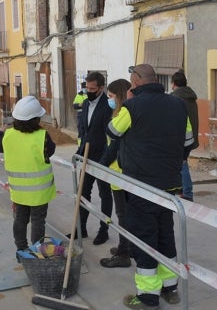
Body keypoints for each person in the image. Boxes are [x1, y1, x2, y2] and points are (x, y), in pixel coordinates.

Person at [107, 64, 188, 309]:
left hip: (141, 186)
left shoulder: (132, 107)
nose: (130, 85)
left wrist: (127, 105)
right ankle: (170, 287)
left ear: (138, 81)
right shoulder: (178, 105)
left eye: (132, 81)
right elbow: (189, 141)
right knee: (165, 234)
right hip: (170, 185)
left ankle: (147, 297)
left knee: (144, 238)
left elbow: (112, 131)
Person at [0, 96, 56, 257]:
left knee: (20, 220)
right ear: (36, 119)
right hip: (40, 193)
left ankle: (21, 250)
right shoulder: (43, 136)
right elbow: (51, 151)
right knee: (38, 222)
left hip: (19, 192)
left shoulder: (7, 136)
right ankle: (36, 252)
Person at [71, 71, 113, 245]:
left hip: (102, 158)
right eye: (87, 88)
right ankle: (81, 228)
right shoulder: (87, 103)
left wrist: (105, 158)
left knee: (105, 195)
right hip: (86, 156)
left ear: (101, 88)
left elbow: (109, 135)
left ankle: (104, 230)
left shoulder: (108, 106)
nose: (88, 91)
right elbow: (85, 130)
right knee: (83, 193)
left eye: (92, 88)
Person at [98, 79, 132, 268]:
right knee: (127, 214)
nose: (108, 100)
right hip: (119, 173)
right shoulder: (121, 113)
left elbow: (114, 146)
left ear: (119, 96)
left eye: (111, 97)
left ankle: (124, 253)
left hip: (120, 174)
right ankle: (125, 246)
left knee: (123, 215)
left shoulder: (124, 115)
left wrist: (101, 164)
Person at [171, 70, 199, 202]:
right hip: (191, 136)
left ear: (174, 84)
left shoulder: (175, 98)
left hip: (181, 137)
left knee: (182, 164)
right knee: (181, 163)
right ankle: (181, 189)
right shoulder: (191, 97)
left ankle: (187, 193)